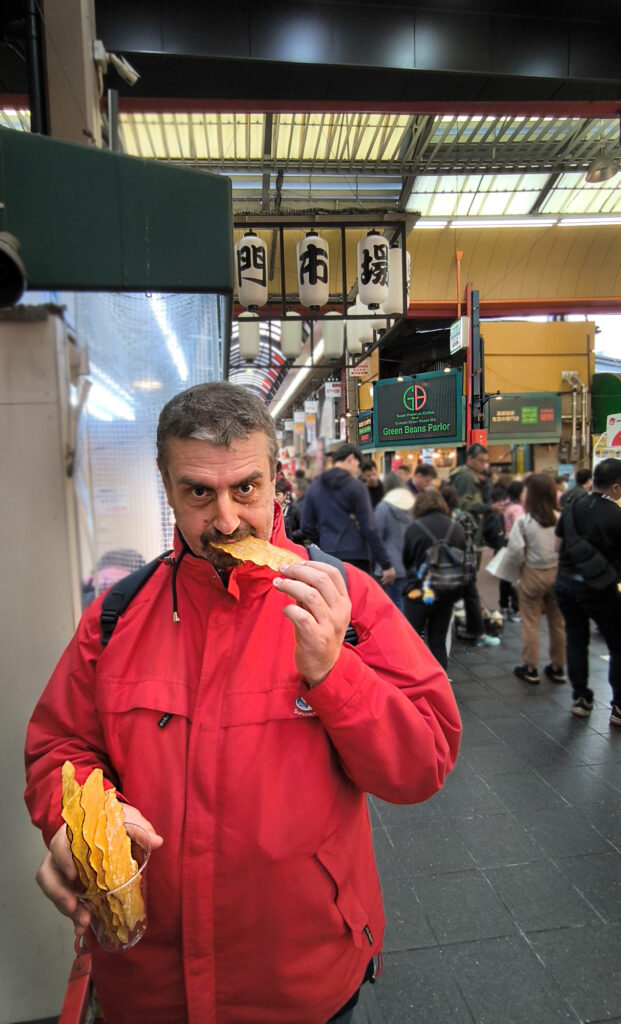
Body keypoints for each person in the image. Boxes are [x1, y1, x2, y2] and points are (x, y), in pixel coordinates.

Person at [24, 382, 461, 1024]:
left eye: (246, 489)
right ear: (167, 487)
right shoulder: (116, 618)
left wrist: (336, 672)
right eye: (200, 492)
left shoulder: (347, 601)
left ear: (276, 478)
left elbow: (422, 763)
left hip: (303, 981)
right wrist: (80, 823)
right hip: (148, 986)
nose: (226, 520)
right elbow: (59, 746)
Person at [554, 457, 621, 724]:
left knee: (576, 639)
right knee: (618, 645)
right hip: (601, 589)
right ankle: (618, 706)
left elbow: (557, 547)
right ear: (615, 487)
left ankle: (581, 699)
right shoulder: (617, 516)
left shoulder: (571, 507)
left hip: (567, 585)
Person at [301, 442, 396, 583]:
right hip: (356, 556)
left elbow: (306, 526)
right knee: (357, 602)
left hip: (327, 556)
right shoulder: (356, 487)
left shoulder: (315, 487)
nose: (356, 471)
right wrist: (385, 564)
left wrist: (322, 541)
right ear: (351, 459)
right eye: (357, 466)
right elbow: (369, 527)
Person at [507, 473, 566, 686]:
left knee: (531, 622)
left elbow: (515, 551)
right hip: (558, 573)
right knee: (557, 622)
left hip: (532, 573)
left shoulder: (524, 521)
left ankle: (531, 668)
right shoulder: (561, 517)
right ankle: (558, 667)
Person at [402, 489, 466, 670]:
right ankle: (441, 686)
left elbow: (407, 559)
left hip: (419, 590)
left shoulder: (414, 528)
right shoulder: (456, 527)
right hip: (447, 589)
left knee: (412, 639)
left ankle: (416, 679)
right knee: (438, 640)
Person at [439, 485, 500, 649]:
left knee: (445, 602)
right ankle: (479, 634)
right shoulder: (465, 517)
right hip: (467, 564)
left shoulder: (441, 520)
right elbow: (473, 535)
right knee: (471, 598)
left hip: (448, 566)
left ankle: (445, 635)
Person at [372, 472, 415, 611]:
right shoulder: (411, 507)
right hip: (408, 563)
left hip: (388, 564)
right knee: (404, 602)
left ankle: (398, 632)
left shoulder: (383, 508)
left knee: (392, 606)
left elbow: (376, 536)